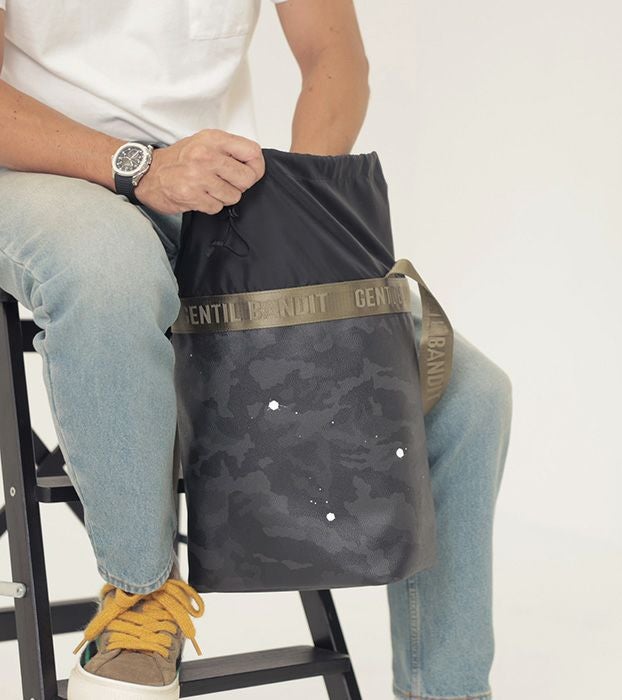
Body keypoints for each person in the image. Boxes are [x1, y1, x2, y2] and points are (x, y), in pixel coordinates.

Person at [0, 1, 513, 698]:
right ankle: (139, 601)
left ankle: (446, 690)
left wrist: (292, 212)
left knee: (467, 398)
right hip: (36, 170)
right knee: (111, 271)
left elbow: (334, 58)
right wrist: (138, 168)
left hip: (209, 185)